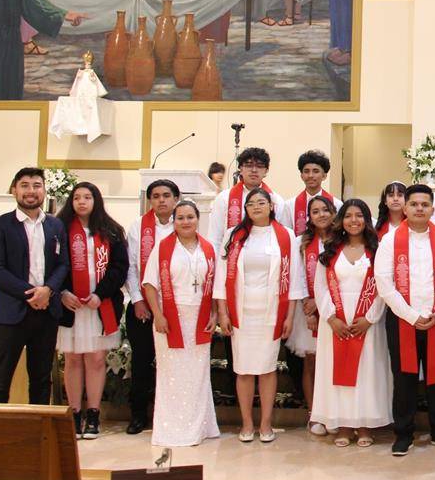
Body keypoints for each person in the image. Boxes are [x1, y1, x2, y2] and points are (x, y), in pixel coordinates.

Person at [373, 184, 435, 455]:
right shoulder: (390, 240)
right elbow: (384, 283)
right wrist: (412, 316)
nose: (419, 209)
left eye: (425, 204)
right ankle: (404, 434)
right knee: (404, 378)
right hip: (403, 320)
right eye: (414, 204)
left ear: (432, 209)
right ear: (405, 207)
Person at [213, 188, 306, 444]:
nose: (256, 207)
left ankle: (266, 423)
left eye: (261, 202)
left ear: (271, 206)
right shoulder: (233, 235)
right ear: (245, 209)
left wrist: (289, 317)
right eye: (251, 203)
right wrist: (222, 312)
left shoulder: (285, 236)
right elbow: (221, 276)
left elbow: (294, 279)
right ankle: (246, 423)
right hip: (240, 312)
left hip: (271, 312)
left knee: (267, 369)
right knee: (243, 369)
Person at [0, 167, 70, 404]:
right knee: (0, 379)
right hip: (10, 313)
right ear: (14, 190)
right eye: (24, 185)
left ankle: (38, 426)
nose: (31, 191)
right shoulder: (0, 224)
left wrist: (48, 290)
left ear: (44, 190)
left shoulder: (55, 226)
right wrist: (32, 294)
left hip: (46, 313)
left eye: (36, 185)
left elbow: (63, 264)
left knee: (42, 379)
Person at [310, 198, 391, 448]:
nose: (353, 220)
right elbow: (320, 287)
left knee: (366, 372)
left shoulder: (378, 251)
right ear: (340, 220)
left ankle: (364, 424)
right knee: (337, 372)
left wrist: (370, 318)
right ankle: (343, 424)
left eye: (359, 215)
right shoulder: (330, 251)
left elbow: (384, 288)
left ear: (367, 220)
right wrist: (331, 318)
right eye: (348, 216)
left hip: (368, 322)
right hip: (335, 322)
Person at [141, 200, 220, 448]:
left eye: (190, 217)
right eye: (181, 218)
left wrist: (215, 314)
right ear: (174, 222)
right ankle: (172, 429)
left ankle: (200, 427)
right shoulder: (162, 248)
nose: (186, 222)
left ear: (198, 219)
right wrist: (158, 315)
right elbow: (149, 284)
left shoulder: (208, 248)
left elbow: (215, 285)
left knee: (197, 374)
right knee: (172, 375)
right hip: (170, 317)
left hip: (200, 317)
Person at [56, 182, 127, 439]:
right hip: (71, 305)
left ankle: (94, 414)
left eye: (87, 197)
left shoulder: (112, 230)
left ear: (96, 200)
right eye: (77, 197)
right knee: (73, 359)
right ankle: (74, 414)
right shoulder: (59, 229)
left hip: (100, 305)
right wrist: (63, 292)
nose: (82, 202)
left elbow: (119, 267)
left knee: (96, 360)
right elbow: (53, 265)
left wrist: (100, 293)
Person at [124, 178, 180, 435]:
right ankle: (138, 415)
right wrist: (137, 299)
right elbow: (131, 266)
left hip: (176, 307)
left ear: (176, 199)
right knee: (142, 361)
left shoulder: (184, 223)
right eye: (155, 196)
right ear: (150, 201)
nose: (161, 200)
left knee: (173, 363)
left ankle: (172, 415)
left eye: (166, 195)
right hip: (143, 307)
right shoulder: (139, 226)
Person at [292, 194, 337, 435]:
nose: (321, 215)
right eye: (315, 211)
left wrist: (323, 303)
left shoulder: (341, 240)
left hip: (334, 309)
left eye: (325, 210)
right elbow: (297, 275)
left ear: (333, 213)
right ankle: (314, 414)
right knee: (311, 361)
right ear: (309, 217)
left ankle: (333, 412)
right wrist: (307, 305)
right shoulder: (301, 242)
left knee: (332, 362)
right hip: (307, 310)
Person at [208, 147, 284, 246]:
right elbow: (215, 238)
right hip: (231, 253)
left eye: (259, 166)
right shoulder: (224, 198)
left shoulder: (276, 200)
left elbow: (281, 236)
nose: (254, 170)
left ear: (266, 171)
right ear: (240, 169)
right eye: (249, 165)